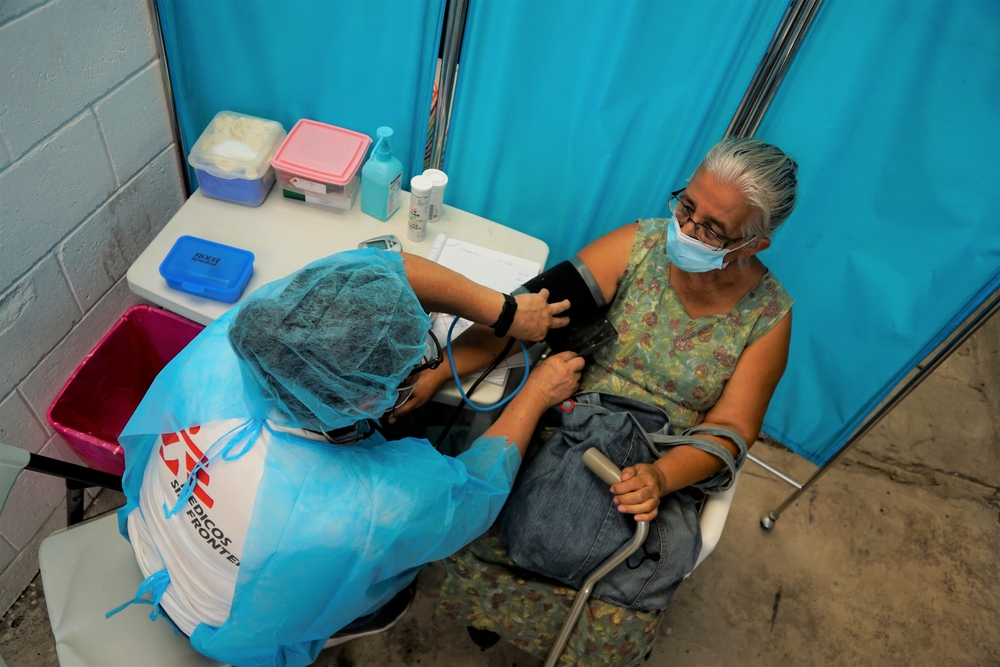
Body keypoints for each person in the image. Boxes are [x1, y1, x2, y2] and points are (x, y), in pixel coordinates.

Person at [395, 137, 798, 665]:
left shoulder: (767, 317)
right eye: (686, 206)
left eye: (711, 228)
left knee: (624, 597)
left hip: (660, 462)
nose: (686, 229)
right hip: (566, 420)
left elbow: (730, 431)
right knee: (483, 513)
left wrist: (661, 478)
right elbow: (525, 315)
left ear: (753, 244)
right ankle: (488, 615)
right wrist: (438, 370)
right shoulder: (637, 248)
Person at [113, 249, 583, 667]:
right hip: (225, 628)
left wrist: (506, 312)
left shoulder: (236, 340)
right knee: (385, 574)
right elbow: (478, 491)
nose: (424, 363)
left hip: (150, 537)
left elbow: (382, 269)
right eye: (414, 363)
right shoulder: (376, 503)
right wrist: (537, 392)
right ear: (363, 405)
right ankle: (364, 617)